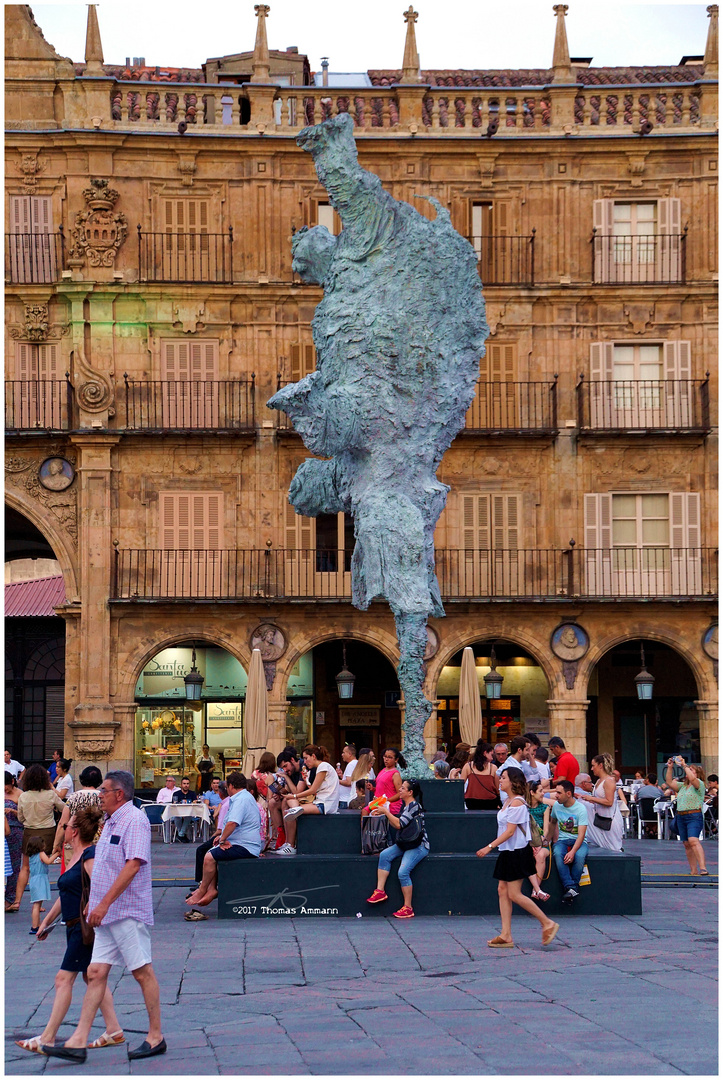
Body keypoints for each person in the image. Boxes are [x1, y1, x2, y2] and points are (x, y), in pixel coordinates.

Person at [43, 770, 166, 1063]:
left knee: (141, 971)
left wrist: (103, 903)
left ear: (119, 794)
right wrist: (94, 903)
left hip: (125, 911)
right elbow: (105, 866)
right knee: (96, 972)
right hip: (106, 913)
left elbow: (133, 864)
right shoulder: (112, 820)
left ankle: (155, 1036)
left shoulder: (134, 820)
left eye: (104, 791)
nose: (99, 796)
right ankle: (78, 1040)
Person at [16, 806, 125, 1057]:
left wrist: (94, 905)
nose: (62, 829)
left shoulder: (89, 856)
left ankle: (48, 1037)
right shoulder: (75, 857)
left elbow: (102, 884)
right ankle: (114, 1029)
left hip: (83, 928)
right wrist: (46, 923)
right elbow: (64, 895)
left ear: (73, 832)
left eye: (65, 826)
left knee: (63, 979)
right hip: (73, 925)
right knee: (91, 977)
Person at [476, 768, 559, 948]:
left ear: (513, 781)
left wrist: (488, 847)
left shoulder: (517, 804)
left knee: (513, 893)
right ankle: (506, 934)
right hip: (508, 851)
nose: (500, 780)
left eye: (503, 778)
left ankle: (547, 923)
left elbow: (511, 831)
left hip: (517, 852)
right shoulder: (508, 801)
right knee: (502, 890)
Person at [185, 773, 262, 911]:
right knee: (211, 850)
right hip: (241, 841)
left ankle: (203, 890)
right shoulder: (243, 797)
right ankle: (211, 888)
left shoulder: (241, 799)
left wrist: (222, 840)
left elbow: (232, 823)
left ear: (231, 786)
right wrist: (221, 838)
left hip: (246, 846)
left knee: (210, 856)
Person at [366, 779, 429, 919]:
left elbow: (399, 824)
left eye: (402, 788)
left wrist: (385, 812)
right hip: (406, 843)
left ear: (410, 792)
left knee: (403, 872)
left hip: (418, 845)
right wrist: (382, 810)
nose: (399, 790)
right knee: (384, 855)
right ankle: (380, 891)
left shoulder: (413, 806)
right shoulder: (405, 805)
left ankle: (408, 907)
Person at [13, 765, 65, 910]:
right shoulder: (50, 795)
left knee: (25, 868)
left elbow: (21, 818)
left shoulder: (23, 796)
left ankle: (17, 901)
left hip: (30, 832)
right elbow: (64, 808)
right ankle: (39, 902)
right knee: (42, 870)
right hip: (47, 832)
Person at [279, 745, 341, 854]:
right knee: (289, 805)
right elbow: (314, 788)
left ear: (313, 756)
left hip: (325, 804)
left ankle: (291, 845)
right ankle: (295, 811)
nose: (305, 761)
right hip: (322, 802)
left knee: (289, 809)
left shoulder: (323, 766)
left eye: (306, 758)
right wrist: (306, 781)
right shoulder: (321, 768)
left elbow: (312, 790)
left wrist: (294, 796)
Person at [51, 766, 104, 866]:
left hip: (74, 841)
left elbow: (63, 823)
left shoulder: (73, 797)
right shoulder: (102, 797)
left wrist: (56, 844)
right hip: (97, 842)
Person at [665, 756, 709, 875]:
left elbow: (693, 779)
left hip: (694, 814)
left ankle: (703, 867)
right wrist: (670, 767)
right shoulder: (683, 787)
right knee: (686, 843)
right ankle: (693, 869)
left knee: (693, 840)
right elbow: (669, 782)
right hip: (681, 815)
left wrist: (684, 765)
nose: (689, 771)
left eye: (692, 770)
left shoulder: (699, 784)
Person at [549, 779, 589, 903]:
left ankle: (571, 888)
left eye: (559, 793)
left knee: (579, 856)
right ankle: (572, 888)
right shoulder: (556, 805)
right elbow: (552, 824)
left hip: (579, 840)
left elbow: (581, 835)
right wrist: (546, 839)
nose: (556, 795)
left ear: (568, 794)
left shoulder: (580, 809)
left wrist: (572, 852)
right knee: (557, 854)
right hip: (562, 839)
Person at [579, 753, 624, 851]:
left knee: (613, 848)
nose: (591, 769)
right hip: (602, 818)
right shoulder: (599, 780)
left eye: (593, 765)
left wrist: (591, 798)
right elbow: (598, 800)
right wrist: (584, 798)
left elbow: (609, 802)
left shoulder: (609, 781)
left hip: (610, 820)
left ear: (600, 766)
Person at [26, 834, 56, 934]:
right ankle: (34, 926)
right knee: (36, 904)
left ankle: (37, 924)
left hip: (34, 879)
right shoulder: (41, 854)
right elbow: (48, 861)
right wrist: (56, 854)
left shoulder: (32, 856)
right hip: (40, 879)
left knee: (37, 903)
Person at [527, 781, 552, 899]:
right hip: (527, 842)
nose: (543, 793)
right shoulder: (524, 808)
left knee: (540, 855)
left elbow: (546, 829)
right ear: (532, 792)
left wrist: (540, 841)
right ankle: (538, 890)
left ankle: (535, 890)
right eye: (540, 791)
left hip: (541, 842)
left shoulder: (544, 808)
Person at [460, 741, 499, 810]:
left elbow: (460, 785)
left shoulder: (468, 766)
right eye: (491, 754)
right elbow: (497, 788)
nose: (492, 758)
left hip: (471, 801)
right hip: (490, 801)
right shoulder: (493, 768)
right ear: (485, 753)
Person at [5, 770, 23, 910]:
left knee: (13, 865)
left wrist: (13, 811)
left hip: (15, 830)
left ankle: (10, 898)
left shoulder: (20, 794)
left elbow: (25, 815)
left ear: (12, 782)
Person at [370, 748, 405, 814]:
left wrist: (386, 800)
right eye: (385, 756)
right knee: (365, 811)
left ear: (396, 760)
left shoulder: (395, 774)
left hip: (390, 805)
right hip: (378, 803)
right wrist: (373, 789)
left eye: (390, 757)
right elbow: (383, 789)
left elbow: (400, 793)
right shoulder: (382, 771)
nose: (386, 759)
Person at [172, 776, 200, 843]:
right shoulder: (176, 794)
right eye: (184, 784)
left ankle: (180, 834)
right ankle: (182, 835)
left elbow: (195, 802)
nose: (186, 785)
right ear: (181, 785)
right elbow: (173, 804)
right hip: (178, 813)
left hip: (189, 813)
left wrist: (195, 801)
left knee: (189, 816)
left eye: (187, 784)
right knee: (176, 817)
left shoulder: (192, 793)